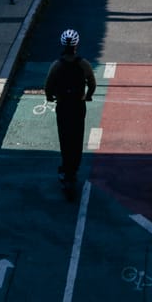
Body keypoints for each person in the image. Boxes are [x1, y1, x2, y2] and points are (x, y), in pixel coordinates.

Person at [45, 29, 97, 199]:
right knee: (77, 137)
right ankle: (74, 168)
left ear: (62, 45)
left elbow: (48, 85)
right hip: (78, 106)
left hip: (63, 106)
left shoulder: (57, 65)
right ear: (76, 45)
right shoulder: (84, 64)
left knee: (65, 137)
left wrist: (50, 97)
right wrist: (88, 96)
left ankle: (66, 167)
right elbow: (92, 83)